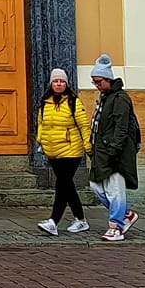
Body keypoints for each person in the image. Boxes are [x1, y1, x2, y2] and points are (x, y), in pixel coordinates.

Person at [88, 56, 140, 241]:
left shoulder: (120, 98)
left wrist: (113, 150)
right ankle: (125, 214)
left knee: (115, 190)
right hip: (102, 151)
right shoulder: (105, 97)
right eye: (94, 82)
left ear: (108, 79)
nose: (96, 85)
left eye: (99, 82)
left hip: (115, 152)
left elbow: (121, 127)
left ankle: (116, 227)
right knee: (95, 185)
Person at [34, 69, 91, 236]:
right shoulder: (45, 102)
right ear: (51, 83)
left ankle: (53, 221)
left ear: (66, 84)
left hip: (71, 150)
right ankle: (80, 220)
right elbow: (41, 123)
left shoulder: (74, 102)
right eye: (55, 81)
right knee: (67, 185)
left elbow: (84, 125)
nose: (59, 84)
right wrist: (40, 140)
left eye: (62, 81)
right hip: (53, 150)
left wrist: (88, 147)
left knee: (62, 184)